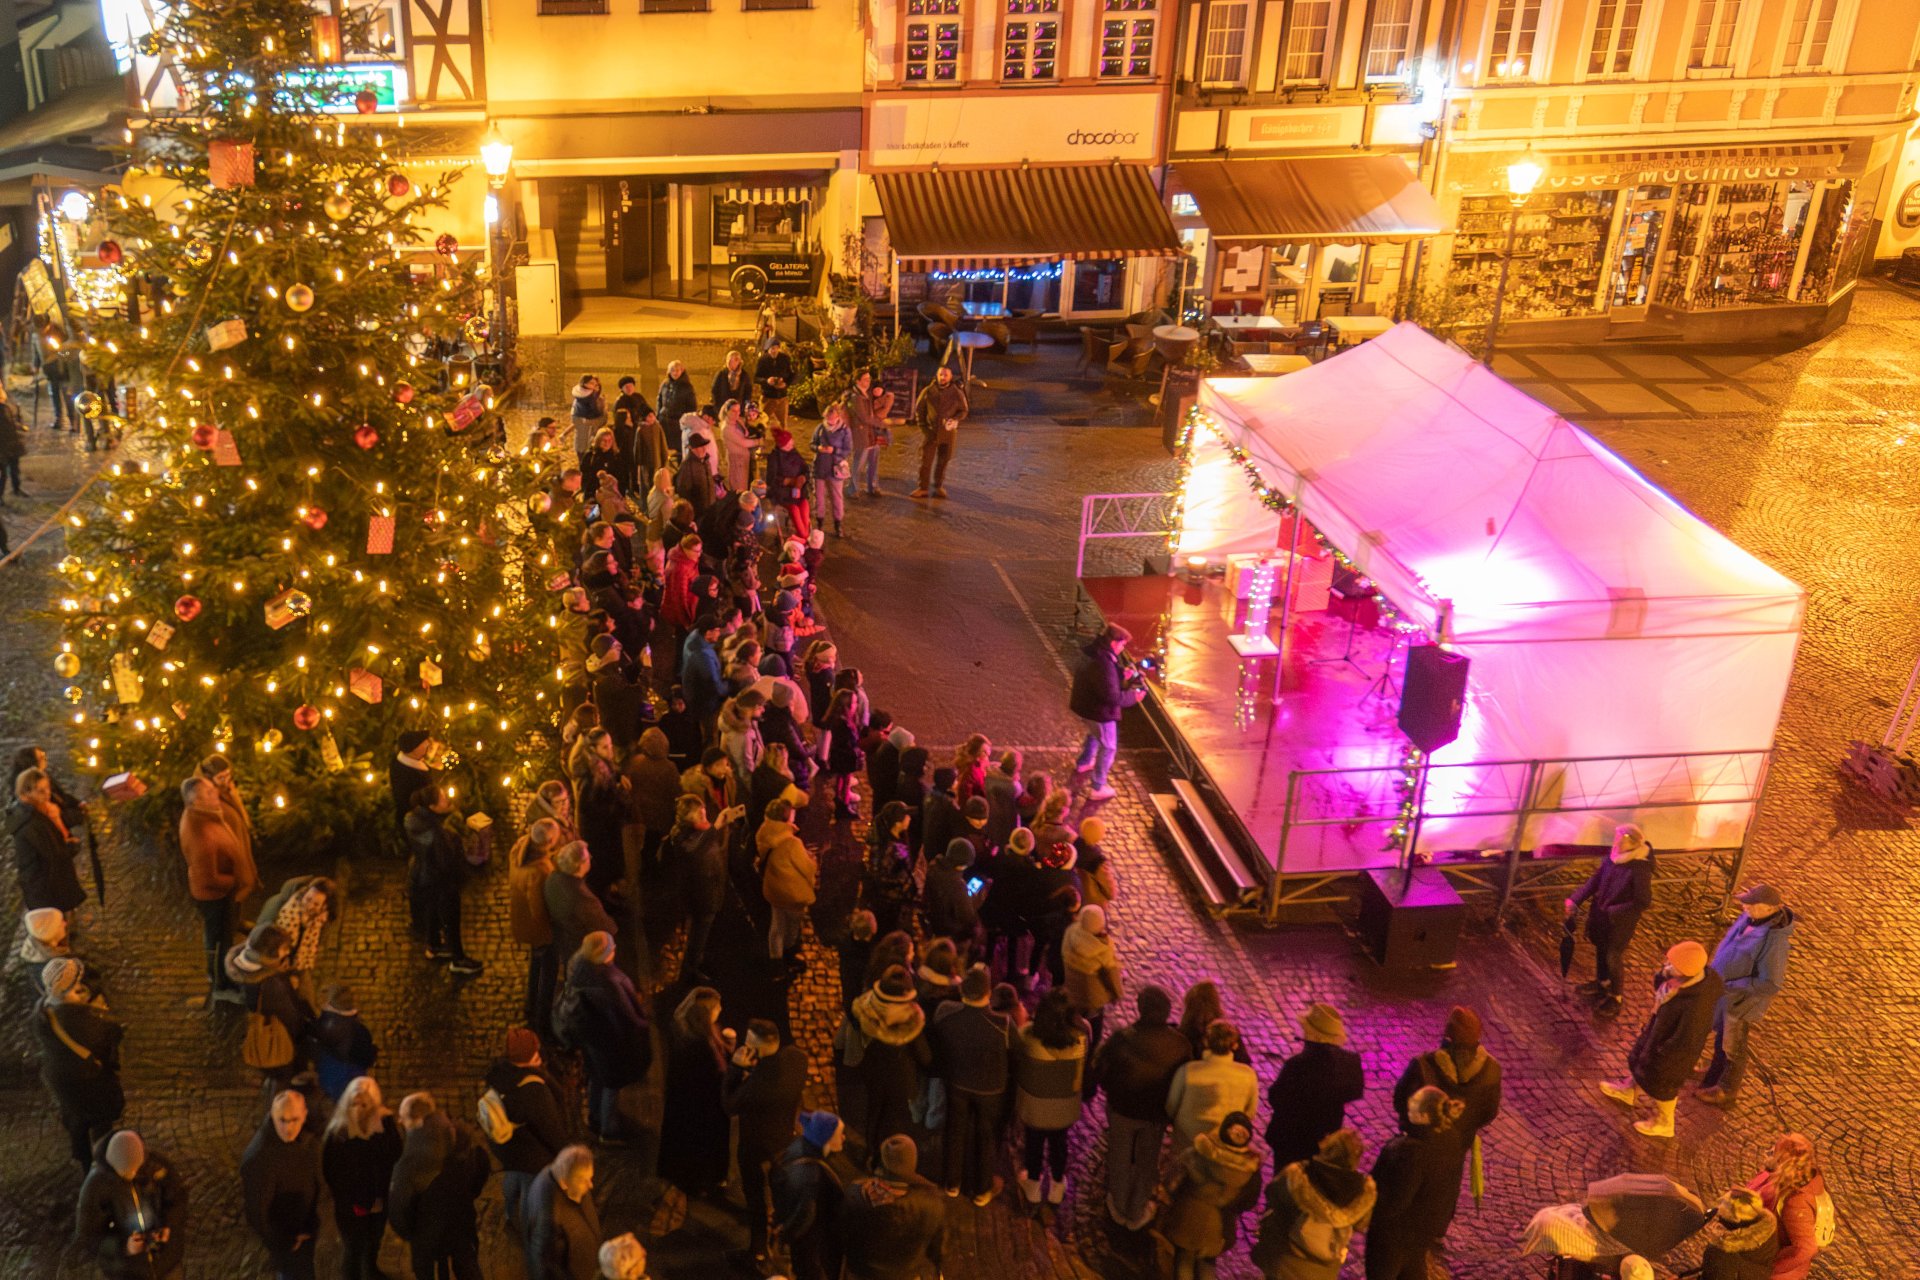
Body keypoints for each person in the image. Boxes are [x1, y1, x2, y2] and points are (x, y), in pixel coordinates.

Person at [1388, 1005, 1499, 1230]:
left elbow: (1401, 1100)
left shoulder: (1424, 1066)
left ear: (1448, 1037)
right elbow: (1489, 1112)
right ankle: (1436, 1228)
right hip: (1457, 1146)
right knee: (1447, 1187)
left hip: (1420, 1143)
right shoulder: (1491, 1070)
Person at [1601, 939, 1725, 1138]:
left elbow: (1685, 1040)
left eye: (1672, 965)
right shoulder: (1680, 981)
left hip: (1672, 1053)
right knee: (1642, 1063)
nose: (1667, 967)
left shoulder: (1696, 1006)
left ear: (1686, 971)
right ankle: (1630, 1090)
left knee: (1663, 1085)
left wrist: (1661, 1052)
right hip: (1658, 1033)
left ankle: (1665, 1122)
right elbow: (1660, 984)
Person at [1092, 984, 1191, 1229]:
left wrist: (1111, 1090)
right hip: (1155, 1114)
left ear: (1140, 1009)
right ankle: (1136, 1209)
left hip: (1123, 1109)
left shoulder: (1122, 1038)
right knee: (1147, 1159)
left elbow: (1100, 1069)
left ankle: (1119, 1204)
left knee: (1119, 1155)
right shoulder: (1181, 1045)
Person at [1698, 882, 1797, 1107]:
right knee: (1722, 1038)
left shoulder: (1774, 941)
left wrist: (1734, 985)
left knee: (1734, 1046)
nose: (1745, 907)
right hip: (1724, 993)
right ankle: (1714, 1073)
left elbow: (1770, 984)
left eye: (1753, 905)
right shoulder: (1750, 918)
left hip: (1741, 1002)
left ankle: (1727, 1090)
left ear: (1771, 909)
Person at [724, 1018, 810, 1267]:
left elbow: (730, 1104)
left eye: (749, 1042)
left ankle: (758, 1248)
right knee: (781, 1187)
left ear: (758, 1048)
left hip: (755, 1143)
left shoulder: (758, 1084)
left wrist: (736, 1068)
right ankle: (783, 1230)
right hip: (785, 1138)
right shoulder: (797, 1058)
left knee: (755, 1194)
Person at [928, 963, 1012, 1204]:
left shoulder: (946, 1014)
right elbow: (1015, 1052)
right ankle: (982, 1189)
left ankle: (952, 1182)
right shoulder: (1002, 1024)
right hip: (990, 1088)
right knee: (986, 1136)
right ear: (988, 994)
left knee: (955, 1129)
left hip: (957, 1083)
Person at [35, 957, 125, 1173]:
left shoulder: (42, 1011)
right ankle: (104, 1165)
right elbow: (109, 1044)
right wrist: (98, 1012)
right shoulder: (88, 1025)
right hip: (88, 1082)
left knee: (76, 1120)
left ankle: (85, 1162)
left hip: (61, 1079)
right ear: (67, 990)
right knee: (100, 1122)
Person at [388, 1092, 491, 1280]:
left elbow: (400, 1204)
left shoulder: (410, 1161)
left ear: (417, 1120)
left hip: (426, 1234)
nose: (400, 1122)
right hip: (462, 1223)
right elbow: (482, 1166)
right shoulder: (464, 1139)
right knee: (467, 1268)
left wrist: (409, 1232)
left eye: (403, 1118)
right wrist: (468, 1195)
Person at [1365, 1086, 1465, 1280]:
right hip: (1421, 1234)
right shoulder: (1451, 1140)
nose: (1407, 1111)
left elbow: (1395, 1201)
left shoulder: (1409, 1152)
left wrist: (1371, 1211)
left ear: (1425, 1116)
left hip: (1393, 1238)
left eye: (1413, 1109)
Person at [1250, 1128, 1376, 1280]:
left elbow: (1273, 1194)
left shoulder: (1297, 1175)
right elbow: (1361, 1223)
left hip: (1285, 1261)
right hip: (1323, 1270)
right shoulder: (1363, 1192)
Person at [563, 931, 652, 1144]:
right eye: (611, 948)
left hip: (590, 1039)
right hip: (609, 1043)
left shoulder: (578, 966)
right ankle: (608, 1130)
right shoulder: (609, 982)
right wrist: (643, 1025)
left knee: (596, 1077)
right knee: (611, 1085)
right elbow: (628, 1017)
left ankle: (594, 1117)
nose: (614, 950)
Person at [483, 1027, 571, 1234]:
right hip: (530, 1155)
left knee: (512, 1182)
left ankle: (510, 1215)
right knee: (530, 1191)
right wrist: (565, 1153)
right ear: (530, 1054)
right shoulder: (533, 1090)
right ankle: (526, 1227)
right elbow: (551, 1130)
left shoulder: (499, 1075)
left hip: (507, 1148)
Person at [1565, 823, 1656, 1014]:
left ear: (1630, 842)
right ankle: (1602, 982)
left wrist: (1615, 910)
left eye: (1618, 839)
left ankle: (1616, 996)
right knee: (1600, 948)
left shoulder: (1639, 868)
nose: (1614, 843)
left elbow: (1643, 901)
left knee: (1612, 956)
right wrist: (1576, 899)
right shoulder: (1613, 857)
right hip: (1601, 914)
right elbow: (1596, 880)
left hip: (1619, 923)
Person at [179, 774, 253, 1004]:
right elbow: (208, 877)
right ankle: (222, 981)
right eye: (209, 793)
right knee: (220, 940)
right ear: (196, 802)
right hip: (216, 897)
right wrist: (235, 883)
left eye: (213, 788)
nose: (216, 794)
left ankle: (220, 973)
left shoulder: (205, 815)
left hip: (221, 893)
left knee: (220, 935)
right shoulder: (202, 835)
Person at [75, 1128, 187, 1280]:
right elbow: (89, 1235)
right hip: (126, 1272)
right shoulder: (96, 1186)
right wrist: (123, 1246)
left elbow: (177, 1198)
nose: (132, 1175)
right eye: (125, 1173)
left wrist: (168, 1225)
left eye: (136, 1170)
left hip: (167, 1264)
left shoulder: (157, 1165)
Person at [837, 965, 931, 1147]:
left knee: (874, 1112)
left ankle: (871, 1151)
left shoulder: (866, 1010)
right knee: (894, 1120)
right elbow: (924, 1056)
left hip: (873, 1072)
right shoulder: (912, 1020)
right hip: (900, 1078)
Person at [322, 1076, 404, 1280]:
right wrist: (351, 1201)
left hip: (379, 1198)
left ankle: (370, 1268)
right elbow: (332, 1171)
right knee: (353, 1246)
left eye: (364, 1103)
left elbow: (395, 1156)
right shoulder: (339, 1132)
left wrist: (383, 1194)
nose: (359, 1107)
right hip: (351, 1203)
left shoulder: (384, 1124)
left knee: (374, 1238)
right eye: (354, 1103)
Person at [1266, 1002, 1365, 1171]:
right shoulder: (1350, 1061)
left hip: (1291, 1139)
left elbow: (1276, 1097)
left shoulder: (1297, 1065)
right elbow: (1355, 1091)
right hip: (1326, 1135)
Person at [1014, 987, 1090, 1206]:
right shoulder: (1081, 1040)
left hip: (1034, 1105)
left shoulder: (1028, 1037)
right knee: (1059, 1143)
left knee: (1034, 1144)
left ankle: (1033, 1184)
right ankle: (1057, 1184)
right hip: (1064, 1106)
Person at [1164, 1111, 1262, 1280]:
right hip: (1218, 1225)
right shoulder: (1251, 1171)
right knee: (1208, 1262)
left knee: (1183, 1261)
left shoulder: (1198, 1152)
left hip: (1187, 1217)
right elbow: (1248, 1201)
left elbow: (1173, 1181)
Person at [241, 1091, 324, 1280]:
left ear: (304, 1115)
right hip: (289, 1240)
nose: (288, 1128)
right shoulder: (260, 1158)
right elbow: (258, 1213)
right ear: (272, 1115)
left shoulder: (307, 1140)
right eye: (282, 1120)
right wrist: (287, 1241)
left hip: (305, 1229)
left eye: (294, 1120)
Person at [659, 986, 732, 1197]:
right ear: (705, 1014)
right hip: (701, 1109)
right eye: (717, 1008)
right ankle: (698, 1183)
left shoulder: (687, 1029)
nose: (720, 1010)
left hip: (686, 1104)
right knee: (698, 1148)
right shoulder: (699, 1045)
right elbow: (712, 1076)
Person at [841, 1135, 946, 1280]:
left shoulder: (857, 1192)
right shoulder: (931, 1205)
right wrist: (938, 1266)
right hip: (904, 1274)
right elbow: (936, 1247)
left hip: (864, 1271)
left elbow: (843, 1233)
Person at [405, 784, 484, 974]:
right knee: (451, 918)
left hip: (423, 875)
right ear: (433, 807)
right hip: (442, 881)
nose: (447, 799)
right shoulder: (440, 835)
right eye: (442, 798)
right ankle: (458, 959)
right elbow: (447, 862)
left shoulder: (412, 818)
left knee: (432, 911)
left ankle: (434, 946)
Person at [226, 924, 311, 1093]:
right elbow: (291, 1018)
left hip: (259, 1015)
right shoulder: (272, 984)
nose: (287, 952)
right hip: (277, 1036)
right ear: (270, 953)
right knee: (282, 1075)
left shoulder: (244, 961)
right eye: (283, 948)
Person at [772, 1111, 853, 1280]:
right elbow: (805, 1216)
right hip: (812, 1243)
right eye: (839, 1134)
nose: (844, 1138)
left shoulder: (800, 1148)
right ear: (825, 1139)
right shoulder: (810, 1175)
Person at [1068, 624, 1144, 803]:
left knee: (1095, 735)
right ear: (1113, 642)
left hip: (1085, 706)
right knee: (1109, 746)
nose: (1123, 648)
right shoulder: (1103, 663)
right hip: (1098, 712)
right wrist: (1134, 696)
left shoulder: (1096, 653)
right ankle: (1098, 786)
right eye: (1122, 644)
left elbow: (1103, 681)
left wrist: (1120, 674)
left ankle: (1084, 762)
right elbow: (1112, 696)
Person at [1167, 1019, 1258, 1156]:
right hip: (1224, 1143)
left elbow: (1171, 1106)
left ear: (1206, 1042)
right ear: (1234, 1045)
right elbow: (1249, 1113)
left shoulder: (1187, 1070)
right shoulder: (1248, 1074)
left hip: (1187, 1140)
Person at [1747, 1133, 1827, 1280]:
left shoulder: (1796, 1202)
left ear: (1784, 1163)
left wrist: (1773, 1265)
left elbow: (1806, 1248)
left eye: (1774, 1152)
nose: (1770, 1151)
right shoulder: (1790, 1181)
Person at [10, 766, 85, 914]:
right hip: (45, 890)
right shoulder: (31, 822)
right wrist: (72, 846)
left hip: (47, 886)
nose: (47, 794)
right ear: (25, 793)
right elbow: (52, 853)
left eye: (48, 788)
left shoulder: (38, 811)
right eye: (40, 791)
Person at [512, 817, 562, 1037]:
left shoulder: (519, 848)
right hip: (539, 930)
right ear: (549, 842)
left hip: (522, 921)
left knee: (535, 964)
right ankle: (542, 1021)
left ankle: (531, 1003)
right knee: (548, 973)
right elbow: (539, 909)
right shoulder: (541, 871)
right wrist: (549, 933)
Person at [526, 1145, 602, 1280]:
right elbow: (544, 1261)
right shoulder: (549, 1216)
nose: (591, 1185)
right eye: (584, 1181)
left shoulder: (563, 1172)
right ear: (564, 1184)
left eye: (590, 1178)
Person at [759, 796, 817, 966]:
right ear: (786, 817)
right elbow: (807, 868)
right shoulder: (792, 842)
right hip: (792, 892)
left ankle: (775, 960)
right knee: (791, 927)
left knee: (776, 926)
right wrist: (812, 860)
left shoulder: (764, 831)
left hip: (774, 887)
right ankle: (789, 953)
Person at [544, 840, 617, 966]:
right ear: (580, 865)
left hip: (563, 940)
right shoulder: (582, 898)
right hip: (580, 947)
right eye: (589, 857)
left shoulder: (553, 878)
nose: (591, 859)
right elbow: (605, 927)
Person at [1062, 904, 1124, 1047]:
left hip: (1072, 989)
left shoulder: (1071, 933)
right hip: (1092, 999)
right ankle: (1089, 1055)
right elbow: (1111, 976)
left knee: (1073, 1020)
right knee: (1094, 1030)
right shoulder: (1103, 949)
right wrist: (1117, 995)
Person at [307, 984, 377, 1102]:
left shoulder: (327, 1025)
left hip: (333, 1082)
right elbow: (367, 1058)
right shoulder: (360, 1028)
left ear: (329, 1002)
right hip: (356, 1082)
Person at [909, 364, 967, 499]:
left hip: (948, 433)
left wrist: (955, 419)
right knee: (926, 461)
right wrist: (924, 427)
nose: (943, 377)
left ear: (951, 376)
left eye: (946, 375)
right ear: (937, 375)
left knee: (943, 460)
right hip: (931, 431)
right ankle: (923, 487)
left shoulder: (956, 392)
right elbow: (920, 410)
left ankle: (938, 486)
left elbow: (964, 410)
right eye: (941, 374)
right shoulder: (928, 391)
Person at [1699, 1188, 1781, 1280]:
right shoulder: (1767, 1229)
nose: (1719, 1201)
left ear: (1736, 1218)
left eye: (1724, 1203)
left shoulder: (1719, 1253)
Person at [845, 368, 895, 498]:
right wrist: (882, 424)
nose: (868, 382)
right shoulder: (855, 397)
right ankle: (853, 488)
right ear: (857, 381)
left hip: (872, 434)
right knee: (859, 463)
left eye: (869, 379)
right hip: (861, 434)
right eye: (865, 379)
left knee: (873, 462)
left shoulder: (867, 393)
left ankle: (872, 486)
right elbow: (864, 417)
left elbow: (880, 396)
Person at [810, 403, 854, 537]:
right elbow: (812, 444)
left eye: (832, 419)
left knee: (837, 497)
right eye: (827, 419)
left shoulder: (844, 430)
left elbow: (848, 449)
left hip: (835, 468)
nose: (829, 422)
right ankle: (820, 523)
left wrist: (834, 450)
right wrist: (818, 448)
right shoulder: (820, 428)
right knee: (819, 497)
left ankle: (838, 524)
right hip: (820, 466)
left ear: (838, 417)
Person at [765, 427, 811, 540]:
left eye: (791, 442)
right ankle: (804, 536)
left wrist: (803, 478)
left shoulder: (794, 453)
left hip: (798, 490)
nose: (792, 444)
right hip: (783, 493)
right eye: (789, 443)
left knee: (804, 504)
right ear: (782, 446)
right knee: (794, 509)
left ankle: (805, 534)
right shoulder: (774, 457)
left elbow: (805, 468)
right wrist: (788, 481)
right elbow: (771, 479)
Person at [755, 340, 795, 431]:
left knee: (783, 425)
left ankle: (783, 443)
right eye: (772, 348)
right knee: (762, 423)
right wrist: (766, 381)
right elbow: (756, 378)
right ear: (768, 349)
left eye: (777, 348)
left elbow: (792, 374)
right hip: (768, 397)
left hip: (782, 397)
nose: (774, 351)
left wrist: (785, 383)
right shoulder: (762, 360)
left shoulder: (785, 359)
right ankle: (760, 441)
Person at [571, 375, 607, 467]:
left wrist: (593, 422)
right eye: (592, 383)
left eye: (596, 384)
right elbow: (575, 419)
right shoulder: (578, 401)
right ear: (584, 384)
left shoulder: (599, 400)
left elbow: (603, 419)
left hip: (595, 435)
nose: (595, 386)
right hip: (582, 438)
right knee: (583, 462)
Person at [0, 385, 26, 501]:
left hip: (12, 442)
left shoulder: (8, 406)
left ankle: (17, 488)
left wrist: (21, 426)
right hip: (2, 445)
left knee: (15, 468)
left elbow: (13, 421)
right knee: (3, 473)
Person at [713, 349, 755, 419]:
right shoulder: (721, 374)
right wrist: (718, 407)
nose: (730, 362)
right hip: (724, 409)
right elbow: (714, 391)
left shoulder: (744, 375)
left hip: (738, 410)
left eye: (733, 360)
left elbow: (748, 392)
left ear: (739, 362)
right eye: (729, 360)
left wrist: (744, 407)